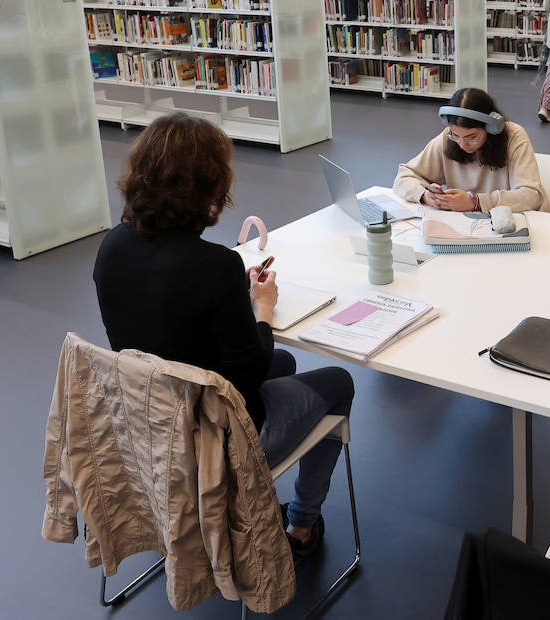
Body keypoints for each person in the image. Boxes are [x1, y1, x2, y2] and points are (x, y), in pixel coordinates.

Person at [93, 113, 354, 559]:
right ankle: (301, 527)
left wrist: (234, 297)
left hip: (149, 422)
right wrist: (262, 309)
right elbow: (247, 372)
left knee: (286, 365)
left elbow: (165, 315)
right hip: (214, 437)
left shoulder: (112, 246)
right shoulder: (215, 266)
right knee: (338, 383)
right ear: (210, 187)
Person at [394, 86, 546, 212]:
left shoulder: (514, 137)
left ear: (491, 128)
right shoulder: (448, 137)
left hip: (517, 222)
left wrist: (476, 202)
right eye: (456, 135)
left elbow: (531, 196)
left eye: (471, 137)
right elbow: (404, 176)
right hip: (470, 227)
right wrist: (425, 195)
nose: (462, 144)